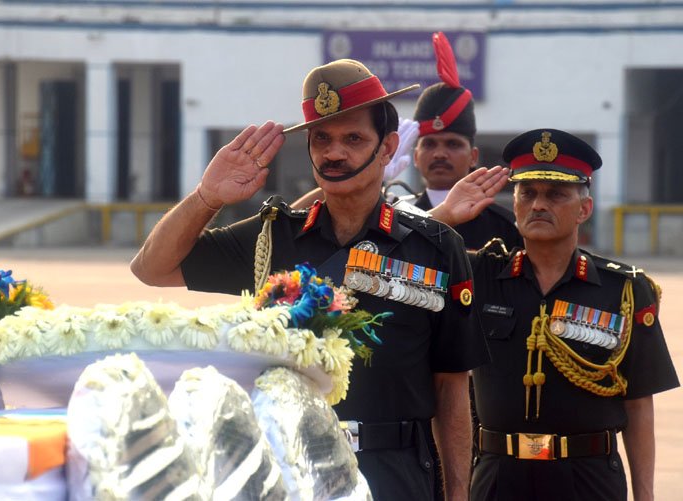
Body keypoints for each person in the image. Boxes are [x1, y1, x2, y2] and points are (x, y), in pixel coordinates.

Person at [130, 58, 489, 500]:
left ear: (388, 147)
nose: (333, 153)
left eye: (353, 139)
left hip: (394, 470)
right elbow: (152, 268)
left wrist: (457, 494)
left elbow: (451, 389)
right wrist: (207, 197)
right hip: (290, 465)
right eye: (322, 139)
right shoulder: (272, 236)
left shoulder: (435, 248)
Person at [432, 129, 680, 501]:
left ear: (584, 209)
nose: (538, 205)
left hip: (588, 479)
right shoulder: (481, 274)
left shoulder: (624, 290)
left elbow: (638, 404)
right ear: (514, 204)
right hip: (499, 477)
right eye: (527, 193)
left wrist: (645, 496)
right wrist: (443, 215)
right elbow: (403, 258)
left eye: (555, 195)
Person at [406, 32, 521, 251]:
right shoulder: (397, 215)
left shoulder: (505, 226)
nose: (440, 154)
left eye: (453, 144)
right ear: (415, 157)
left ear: (473, 157)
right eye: (429, 144)